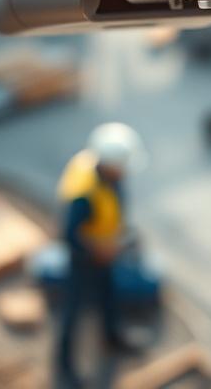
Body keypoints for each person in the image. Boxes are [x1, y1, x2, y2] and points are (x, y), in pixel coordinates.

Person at [56, 122, 146, 387]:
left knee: (110, 295)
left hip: (106, 253)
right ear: (109, 164)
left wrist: (119, 238)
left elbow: (112, 207)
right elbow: (70, 235)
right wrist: (96, 251)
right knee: (73, 312)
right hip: (83, 260)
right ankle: (65, 368)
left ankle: (113, 337)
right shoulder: (83, 194)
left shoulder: (109, 176)